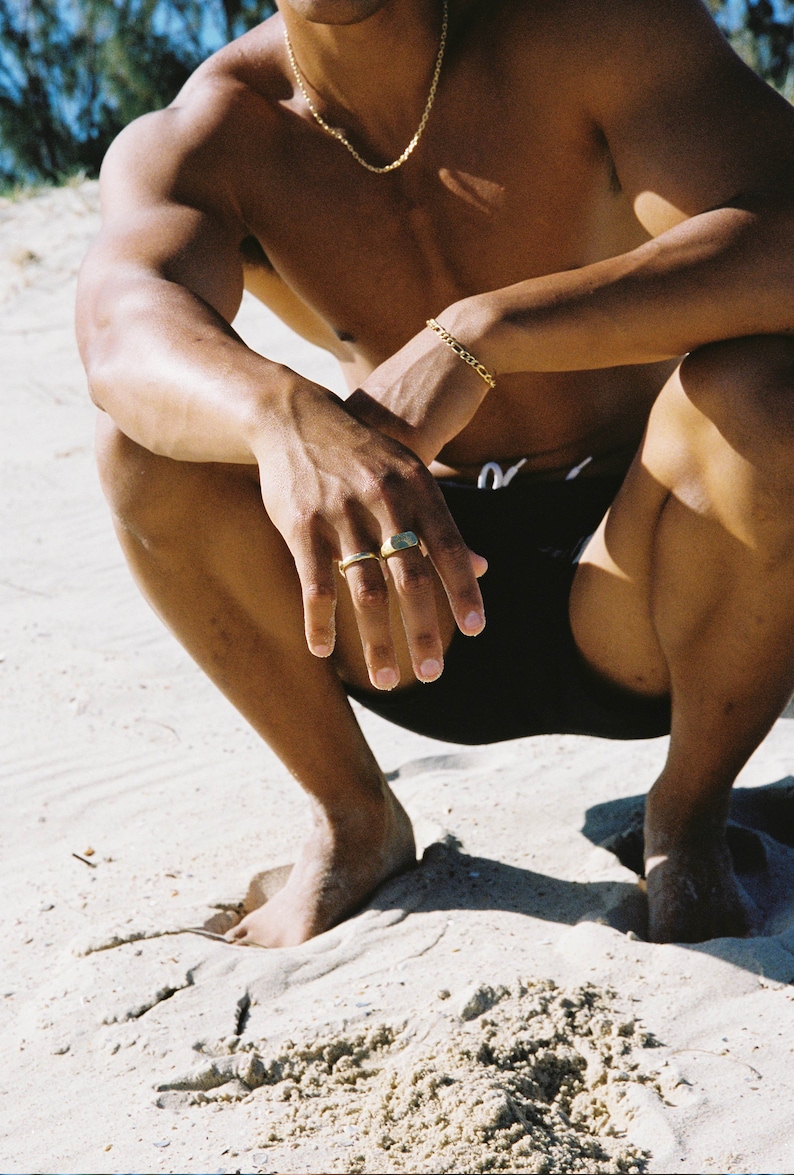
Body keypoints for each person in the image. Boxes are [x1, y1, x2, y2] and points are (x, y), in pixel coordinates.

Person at [76, 0, 794, 948]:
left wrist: (483, 336)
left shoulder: (598, 31)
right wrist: (282, 416)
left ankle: (689, 819)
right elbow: (122, 329)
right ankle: (352, 817)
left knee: (765, 395)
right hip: (399, 597)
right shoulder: (214, 130)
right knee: (143, 444)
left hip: (652, 574)